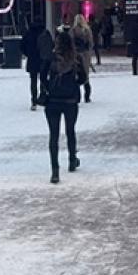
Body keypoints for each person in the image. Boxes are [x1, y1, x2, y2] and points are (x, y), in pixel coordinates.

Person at [43, 28, 88, 184]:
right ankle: (72, 159)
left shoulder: (51, 58)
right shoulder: (76, 58)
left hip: (53, 101)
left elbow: (42, 76)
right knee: (70, 130)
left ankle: (55, 170)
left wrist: (49, 88)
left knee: (53, 135)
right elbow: (83, 78)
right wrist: (74, 85)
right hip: (70, 100)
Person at [22, 18, 53, 111]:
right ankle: (42, 96)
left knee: (33, 80)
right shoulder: (45, 33)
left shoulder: (28, 33)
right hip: (43, 59)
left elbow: (22, 45)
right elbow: (51, 45)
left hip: (32, 59)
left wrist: (28, 53)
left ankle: (34, 100)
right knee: (43, 78)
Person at [70, 14, 95, 103]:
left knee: (77, 75)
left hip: (76, 54)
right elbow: (91, 43)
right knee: (86, 76)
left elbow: (71, 43)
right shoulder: (87, 30)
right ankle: (87, 96)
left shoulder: (73, 30)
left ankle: (77, 97)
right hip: (86, 55)